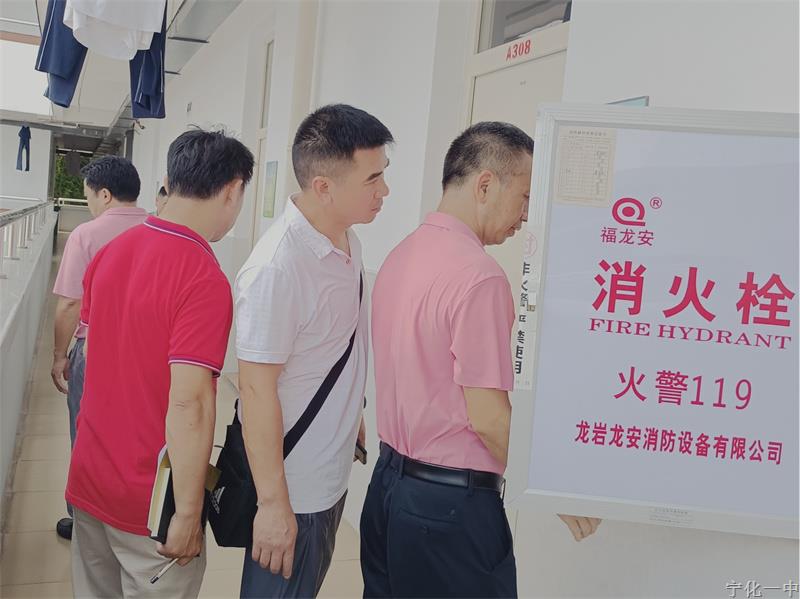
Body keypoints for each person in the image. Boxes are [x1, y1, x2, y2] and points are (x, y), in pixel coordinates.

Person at [361, 122, 602, 598]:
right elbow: (488, 418)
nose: (526, 216)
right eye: (525, 197)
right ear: (486, 185)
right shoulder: (481, 278)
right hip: (449, 510)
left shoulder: (400, 255)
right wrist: (550, 485)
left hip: (387, 490)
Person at [66, 129, 254, 598]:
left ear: (170, 181)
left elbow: (91, 357)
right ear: (233, 190)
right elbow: (191, 403)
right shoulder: (202, 276)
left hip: (90, 477)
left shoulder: (110, 252)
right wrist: (188, 513)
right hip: (148, 505)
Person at [235, 104, 393, 598]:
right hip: (294, 487)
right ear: (323, 186)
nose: (385, 191)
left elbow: (333, 345)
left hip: (331, 471)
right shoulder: (277, 268)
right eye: (372, 179)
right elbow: (255, 390)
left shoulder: (346, 241)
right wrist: (272, 506)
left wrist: (352, 409)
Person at [51, 155, 147, 540]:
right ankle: (129, 514)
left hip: (95, 351)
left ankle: (84, 519)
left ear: (105, 194)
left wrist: (59, 356)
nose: (89, 203)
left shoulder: (86, 235)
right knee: (135, 433)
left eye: (89, 195)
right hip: (146, 354)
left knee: (86, 430)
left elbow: (70, 304)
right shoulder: (159, 229)